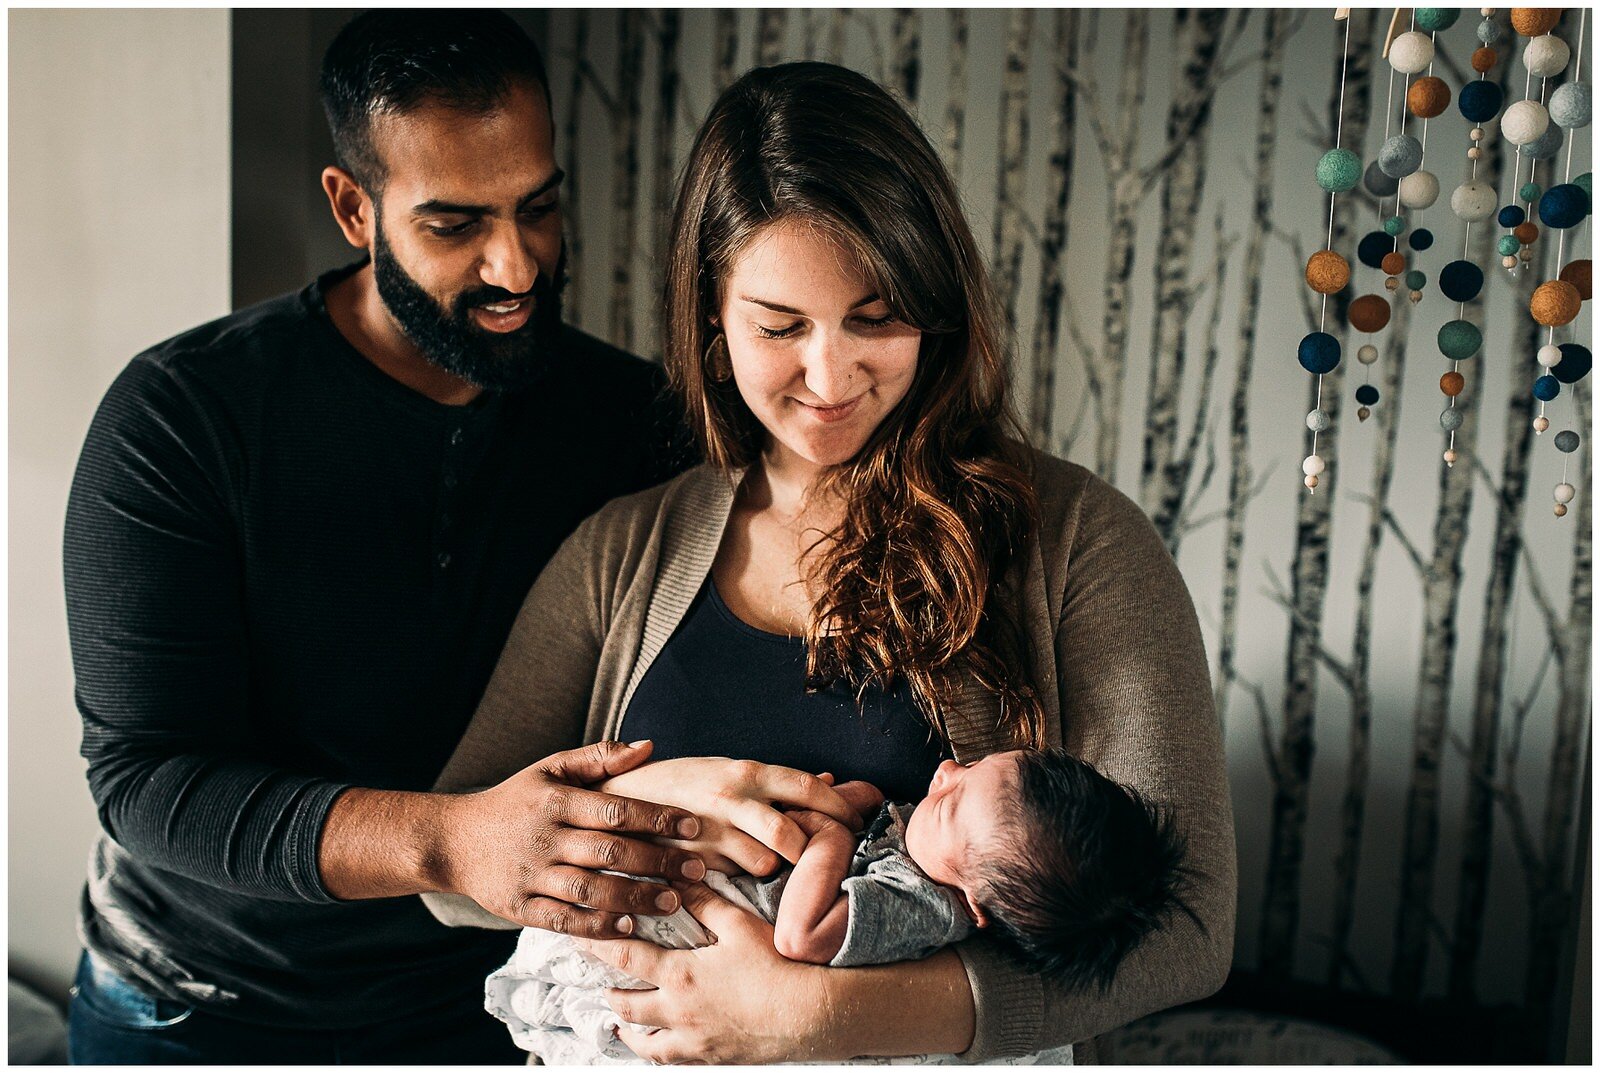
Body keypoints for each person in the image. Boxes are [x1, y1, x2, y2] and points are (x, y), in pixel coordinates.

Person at [61, 13, 860, 1065]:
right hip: (203, 1001)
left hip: (492, 1003)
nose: (517, 265)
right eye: (454, 223)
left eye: (539, 205)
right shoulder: (183, 417)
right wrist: (449, 838)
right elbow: (147, 777)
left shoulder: (639, 423)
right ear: (354, 208)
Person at [426, 62, 1236, 1064]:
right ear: (713, 324)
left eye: (876, 317)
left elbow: (1185, 938)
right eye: (778, 326)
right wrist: (670, 791)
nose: (829, 375)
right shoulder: (620, 555)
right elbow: (453, 875)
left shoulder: (1075, 540)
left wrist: (807, 1017)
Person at [486, 748, 1193, 1065]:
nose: (943, 772)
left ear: (976, 904)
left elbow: (801, 933)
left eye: (948, 803)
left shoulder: (918, 904)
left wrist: (826, 832)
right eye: (969, 767)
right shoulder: (935, 852)